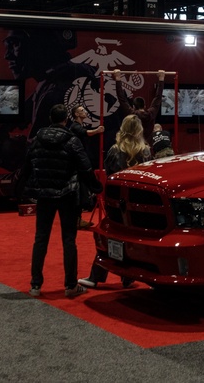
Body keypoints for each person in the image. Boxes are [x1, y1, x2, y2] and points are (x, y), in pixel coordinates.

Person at [20, 103, 98, 299]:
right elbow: (85, 167)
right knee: (69, 239)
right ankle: (70, 286)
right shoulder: (72, 140)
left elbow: (26, 167)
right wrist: (97, 187)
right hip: (68, 194)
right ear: (66, 119)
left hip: (44, 194)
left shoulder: (37, 138)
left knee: (40, 238)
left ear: (50, 119)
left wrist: (20, 189)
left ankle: (35, 285)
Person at [78, 115, 150, 289]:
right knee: (136, 240)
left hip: (118, 201)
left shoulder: (114, 150)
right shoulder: (146, 151)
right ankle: (127, 277)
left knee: (109, 237)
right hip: (140, 202)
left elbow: (108, 175)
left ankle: (97, 276)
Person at [114, 68, 165, 145]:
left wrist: (118, 79)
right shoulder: (150, 114)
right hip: (146, 146)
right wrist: (161, 79)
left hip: (133, 146)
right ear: (144, 106)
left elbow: (122, 99)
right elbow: (158, 98)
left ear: (133, 106)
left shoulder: (131, 114)